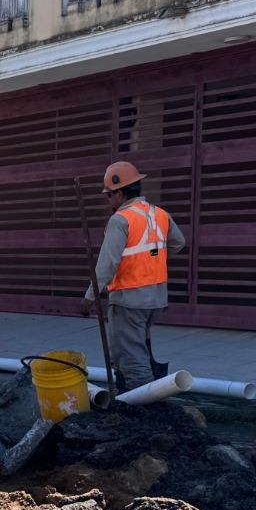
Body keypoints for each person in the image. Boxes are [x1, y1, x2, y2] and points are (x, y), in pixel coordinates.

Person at [82, 161, 187, 392]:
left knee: (131, 357)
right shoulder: (160, 214)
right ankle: (132, 391)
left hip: (129, 300)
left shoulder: (121, 219)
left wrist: (90, 297)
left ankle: (143, 404)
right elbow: (178, 242)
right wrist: (152, 258)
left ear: (119, 192)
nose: (109, 200)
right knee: (137, 347)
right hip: (156, 298)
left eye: (109, 195)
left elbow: (107, 264)